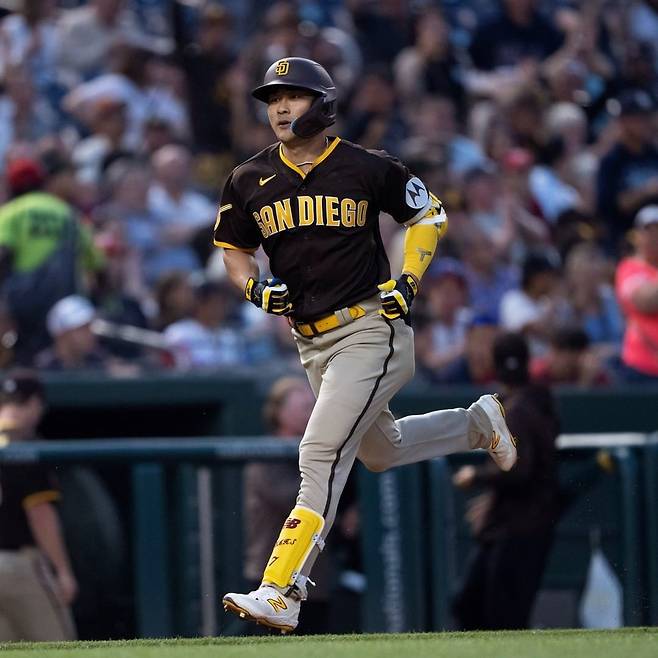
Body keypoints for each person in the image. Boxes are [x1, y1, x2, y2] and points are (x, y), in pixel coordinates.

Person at [216, 57, 517, 633]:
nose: (279, 107)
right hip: (310, 343)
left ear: (323, 104)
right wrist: (253, 286)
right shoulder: (248, 177)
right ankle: (477, 424)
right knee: (380, 450)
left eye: (294, 95)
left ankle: (282, 588)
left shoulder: (364, 166)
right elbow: (233, 248)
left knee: (319, 455)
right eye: (272, 97)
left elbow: (428, 213)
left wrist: (408, 279)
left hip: (368, 328)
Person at [452, 332, 561, 630]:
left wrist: (475, 476)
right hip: (522, 522)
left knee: (499, 615)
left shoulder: (517, 410)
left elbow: (516, 468)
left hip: (515, 527)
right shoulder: (536, 403)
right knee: (473, 604)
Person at [243, 376, 332, 634]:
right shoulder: (266, 454)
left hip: (314, 576)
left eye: (313, 407)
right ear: (279, 412)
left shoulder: (318, 450)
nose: (311, 413)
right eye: (304, 407)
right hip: (270, 572)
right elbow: (292, 499)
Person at [0, 370, 77, 642]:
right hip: (20, 565)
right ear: (34, 403)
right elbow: (40, 513)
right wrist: (62, 570)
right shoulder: (26, 445)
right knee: (58, 647)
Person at [615, 205, 658, 381]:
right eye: (648, 231)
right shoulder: (629, 268)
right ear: (637, 236)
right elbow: (647, 301)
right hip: (641, 368)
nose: (654, 237)